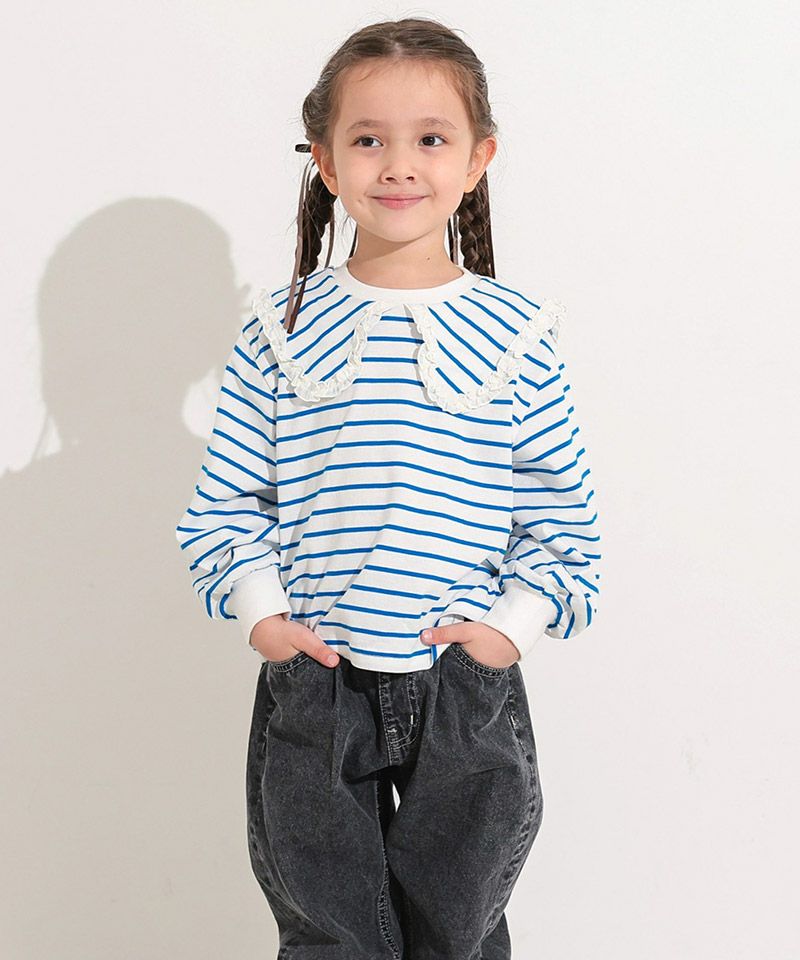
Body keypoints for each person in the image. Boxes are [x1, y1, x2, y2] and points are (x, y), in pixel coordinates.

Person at [175, 16, 603, 960]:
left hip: (462, 684)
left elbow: (560, 516)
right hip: (319, 674)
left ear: (479, 158)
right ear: (326, 161)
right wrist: (263, 615)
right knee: (329, 935)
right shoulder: (280, 331)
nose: (399, 165)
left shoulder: (519, 334)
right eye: (368, 139)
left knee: (458, 932)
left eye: (431, 138)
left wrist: (508, 632)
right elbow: (227, 502)